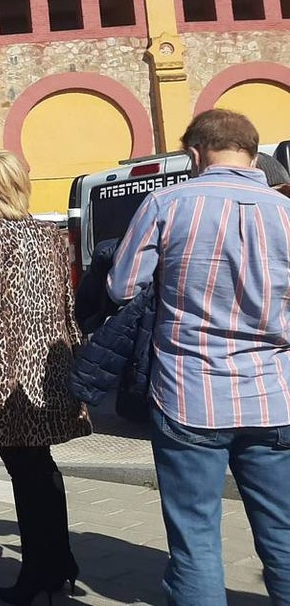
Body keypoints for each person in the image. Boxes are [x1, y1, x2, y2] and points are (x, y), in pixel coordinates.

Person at [108, 109, 290, 606]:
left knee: (195, 540)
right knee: (284, 535)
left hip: (190, 394)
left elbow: (123, 286)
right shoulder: (286, 212)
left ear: (194, 153)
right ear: (255, 153)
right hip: (274, 397)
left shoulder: (167, 203)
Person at [0, 150, 91, 604]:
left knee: (24, 473)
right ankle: (60, 563)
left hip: (4, 373)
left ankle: (37, 572)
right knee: (44, 469)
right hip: (49, 368)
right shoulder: (52, 237)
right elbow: (67, 306)